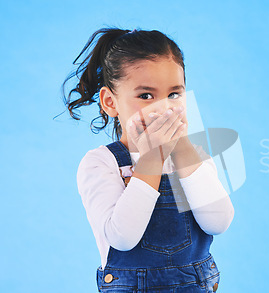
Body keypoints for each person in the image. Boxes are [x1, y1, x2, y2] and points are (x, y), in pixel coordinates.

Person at [62, 27, 234, 293]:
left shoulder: (195, 158)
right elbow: (123, 237)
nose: (163, 108)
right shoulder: (102, 163)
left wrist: (183, 148)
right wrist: (151, 158)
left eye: (174, 95)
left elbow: (218, 222)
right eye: (146, 96)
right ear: (110, 102)